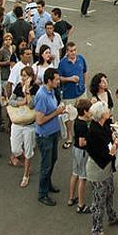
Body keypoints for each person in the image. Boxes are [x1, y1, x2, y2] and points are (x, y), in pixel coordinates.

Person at [85, 101, 118, 235]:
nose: (109, 111)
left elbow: (109, 137)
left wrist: (113, 139)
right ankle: (96, 230)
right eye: (107, 110)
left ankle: (112, 217)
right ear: (102, 114)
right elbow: (101, 154)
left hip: (106, 167)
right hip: (98, 170)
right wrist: (113, 150)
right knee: (98, 201)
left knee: (109, 193)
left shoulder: (104, 125)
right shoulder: (94, 132)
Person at [35, 68, 66, 206]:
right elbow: (40, 120)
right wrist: (56, 112)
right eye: (56, 79)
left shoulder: (51, 91)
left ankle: (48, 183)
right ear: (49, 81)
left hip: (53, 132)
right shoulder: (41, 95)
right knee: (46, 165)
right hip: (45, 135)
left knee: (53, 159)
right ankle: (42, 193)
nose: (58, 81)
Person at [8, 66, 38, 187]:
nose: (23, 78)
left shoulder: (36, 88)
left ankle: (26, 175)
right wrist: (20, 103)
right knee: (15, 149)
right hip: (17, 122)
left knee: (29, 151)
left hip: (29, 124)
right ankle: (22, 160)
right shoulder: (18, 87)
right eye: (22, 75)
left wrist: (27, 92)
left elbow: (31, 105)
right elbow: (11, 101)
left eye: (26, 76)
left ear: (31, 77)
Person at [59, 41, 88, 151]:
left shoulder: (81, 59)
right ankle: (70, 137)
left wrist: (84, 84)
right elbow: (59, 78)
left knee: (84, 114)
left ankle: (82, 134)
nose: (73, 53)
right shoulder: (62, 63)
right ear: (66, 52)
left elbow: (85, 72)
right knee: (70, 118)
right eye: (71, 51)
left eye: (75, 50)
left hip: (81, 93)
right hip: (69, 95)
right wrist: (70, 79)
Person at [68, 98, 92, 212]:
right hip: (82, 152)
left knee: (75, 173)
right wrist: (93, 140)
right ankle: (81, 205)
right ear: (85, 111)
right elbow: (83, 142)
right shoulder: (82, 125)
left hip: (75, 149)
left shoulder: (77, 121)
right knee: (83, 177)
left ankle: (71, 198)